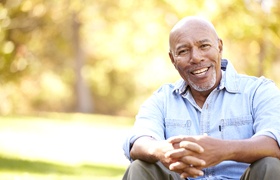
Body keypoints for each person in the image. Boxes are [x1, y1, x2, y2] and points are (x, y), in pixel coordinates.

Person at [122, 16, 280, 180]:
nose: (196, 57)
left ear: (219, 47)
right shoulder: (162, 99)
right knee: (141, 166)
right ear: (172, 59)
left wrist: (224, 150)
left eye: (204, 46)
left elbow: (274, 143)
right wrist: (162, 150)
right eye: (183, 51)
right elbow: (138, 142)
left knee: (271, 164)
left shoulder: (258, 91)